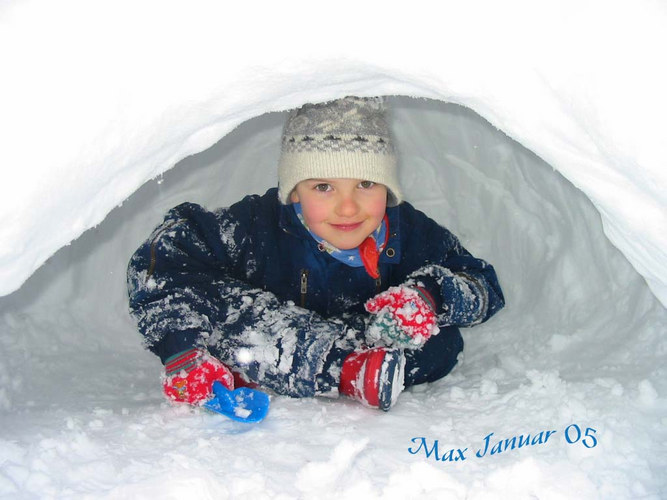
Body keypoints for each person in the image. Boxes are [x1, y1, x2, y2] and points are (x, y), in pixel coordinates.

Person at [127, 96, 504, 411]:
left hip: (363, 339)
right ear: (293, 192)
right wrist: (181, 349)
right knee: (226, 309)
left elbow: (482, 284)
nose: (348, 207)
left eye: (367, 184)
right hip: (265, 334)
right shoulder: (256, 227)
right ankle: (343, 372)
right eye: (323, 186)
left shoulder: (408, 231)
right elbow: (163, 258)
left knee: (441, 344)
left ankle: (347, 370)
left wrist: (429, 296)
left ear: (388, 190)